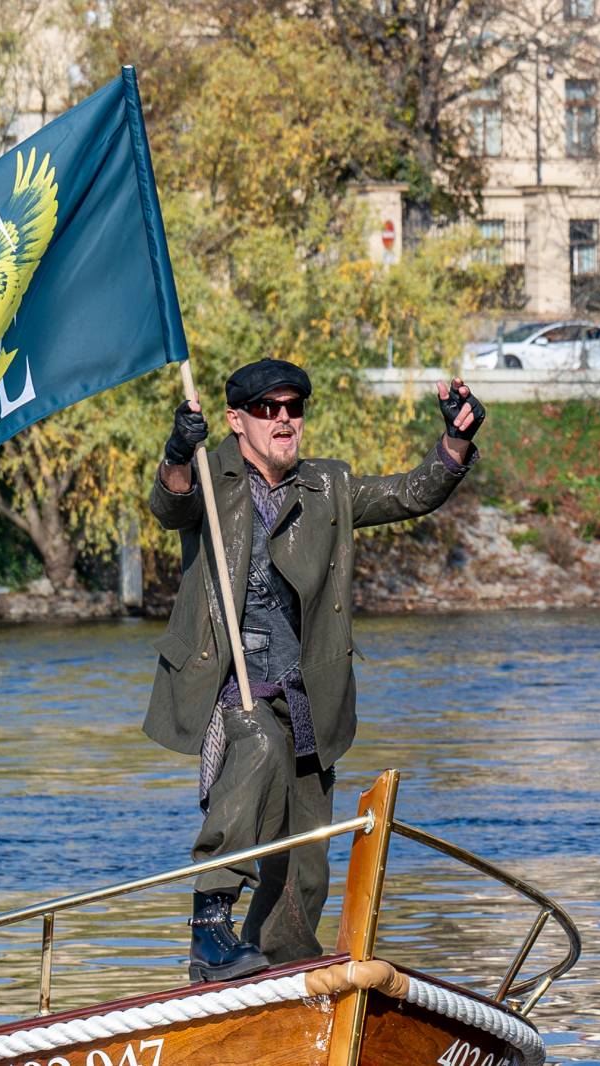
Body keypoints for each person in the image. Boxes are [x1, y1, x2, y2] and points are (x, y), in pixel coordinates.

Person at [145, 358, 484, 983]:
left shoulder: (328, 486)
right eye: (267, 410)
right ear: (235, 420)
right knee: (259, 750)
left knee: (305, 864)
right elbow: (169, 504)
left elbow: (410, 493)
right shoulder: (210, 477)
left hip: (307, 694)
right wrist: (176, 451)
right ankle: (209, 925)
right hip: (231, 684)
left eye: (292, 409)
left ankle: (281, 975)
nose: (282, 420)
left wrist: (455, 442)